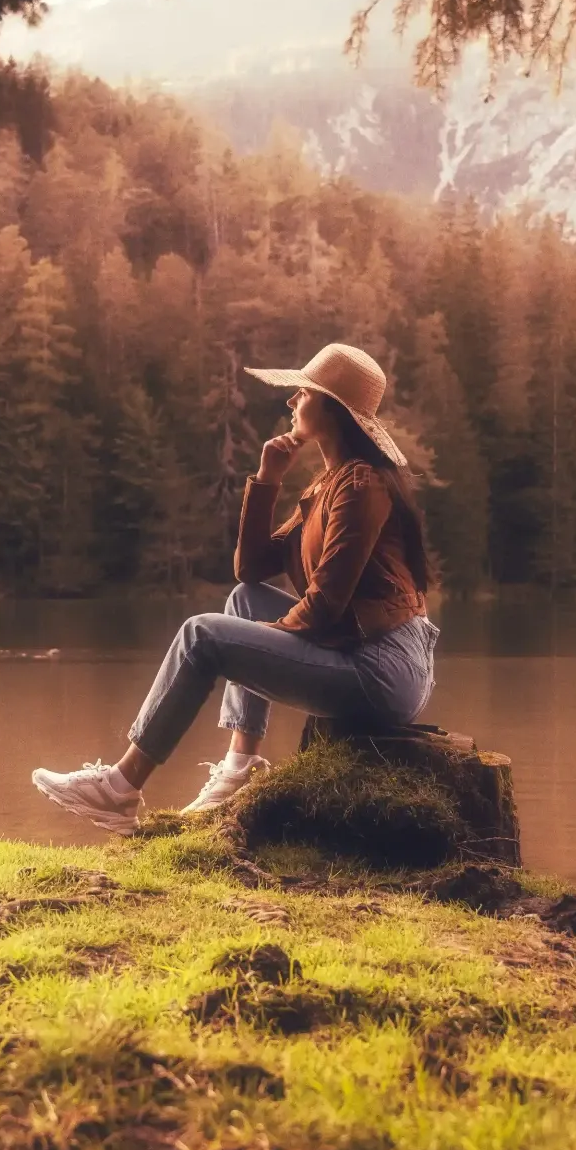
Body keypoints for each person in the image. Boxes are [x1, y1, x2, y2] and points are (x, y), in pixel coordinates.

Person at [31, 342, 440, 834]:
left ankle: (120, 787)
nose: (291, 403)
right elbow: (250, 571)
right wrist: (267, 480)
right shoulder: (328, 486)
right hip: (365, 651)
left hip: (384, 670)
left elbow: (326, 605)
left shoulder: (362, 486)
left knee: (204, 635)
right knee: (242, 604)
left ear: (331, 408)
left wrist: (247, 642)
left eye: (302, 393)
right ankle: (240, 769)